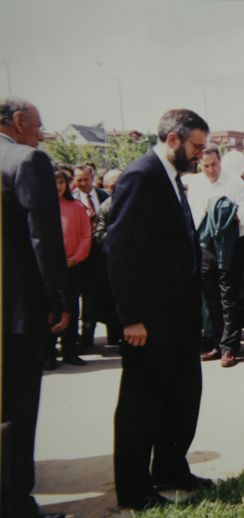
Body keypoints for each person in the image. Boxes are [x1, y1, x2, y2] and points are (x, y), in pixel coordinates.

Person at [107, 109, 213, 510]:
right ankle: (134, 491)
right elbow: (121, 251)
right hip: (148, 321)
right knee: (142, 404)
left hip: (178, 317)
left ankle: (170, 468)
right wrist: (131, 317)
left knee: (181, 396)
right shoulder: (141, 176)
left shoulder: (171, 178)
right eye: (196, 146)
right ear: (173, 140)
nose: (201, 154)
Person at [1, 96, 70, 518]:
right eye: (39, 125)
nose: (42, 134)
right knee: (15, 412)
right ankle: (15, 506)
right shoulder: (27, 161)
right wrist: (58, 299)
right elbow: (44, 237)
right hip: (17, 311)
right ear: (19, 120)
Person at [190, 146, 244, 368]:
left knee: (230, 298)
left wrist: (226, 212)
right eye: (206, 166)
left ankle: (230, 347)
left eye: (214, 164)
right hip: (206, 246)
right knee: (211, 298)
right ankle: (216, 342)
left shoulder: (234, 182)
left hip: (230, 246)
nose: (211, 170)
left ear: (220, 162)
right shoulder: (196, 184)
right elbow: (193, 215)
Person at [45, 169, 92, 368]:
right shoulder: (41, 207)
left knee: (71, 309)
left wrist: (75, 259)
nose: (58, 186)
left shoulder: (77, 207)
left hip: (72, 266)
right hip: (49, 268)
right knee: (51, 310)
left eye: (61, 182)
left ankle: (70, 351)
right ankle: (48, 354)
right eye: (54, 182)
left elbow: (86, 236)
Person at [72, 164, 109, 350]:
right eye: (79, 180)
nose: (83, 183)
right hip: (78, 256)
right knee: (80, 299)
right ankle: (81, 340)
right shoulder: (71, 199)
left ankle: (97, 336)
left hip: (99, 255)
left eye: (86, 179)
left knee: (95, 297)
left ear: (93, 178)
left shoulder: (104, 197)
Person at [92, 168, 124, 345]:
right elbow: (99, 234)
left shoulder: (136, 200)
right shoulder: (105, 206)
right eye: (111, 186)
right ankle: (114, 335)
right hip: (112, 259)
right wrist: (117, 237)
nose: (116, 188)